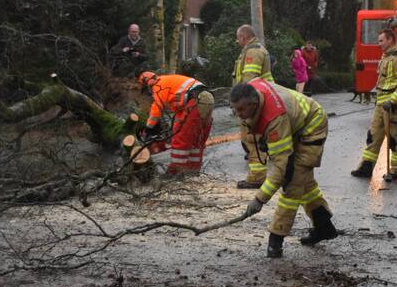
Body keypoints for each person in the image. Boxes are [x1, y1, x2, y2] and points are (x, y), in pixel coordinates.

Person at [231, 80, 336, 258]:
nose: (238, 115)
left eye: (241, 110)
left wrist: (260, 199)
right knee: (305, 183)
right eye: (234, 109)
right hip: (294, 123)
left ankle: (276, 239)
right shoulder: (252, 91)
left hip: (312, 126)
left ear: (254, 104)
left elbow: (282, 167)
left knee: (292, 183)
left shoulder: (275, 118)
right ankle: (323, 226)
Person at [351, 27, 397, 180]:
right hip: (381, 105)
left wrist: (393, 101)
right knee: (373, 136)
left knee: (395, 138)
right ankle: (366, 168)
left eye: (381, 41)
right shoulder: (385, 57)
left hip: (393, 107)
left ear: (390, 40)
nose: (379, 44)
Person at [138, 71, 215, 174]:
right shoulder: (168, 81)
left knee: (180, 138)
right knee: (196, 139)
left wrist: (148, 129)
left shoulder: (159, 86)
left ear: (147, 84)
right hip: (207, 98)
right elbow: (179, 114)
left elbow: (156, 110)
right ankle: (192, 170)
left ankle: (174, 172)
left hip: (196, 100)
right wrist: (174, 129)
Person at [233, 24, 274, 188]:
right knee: (252, 141)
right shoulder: (253, 51)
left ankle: (257, 178)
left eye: (238, 39)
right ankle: (257, 176)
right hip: (256, 102)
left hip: (253, 104)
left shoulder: (253, 52)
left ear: (243, 37)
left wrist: (242, 106)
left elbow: (250, 82)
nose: (237, 42)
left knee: (252, 140)